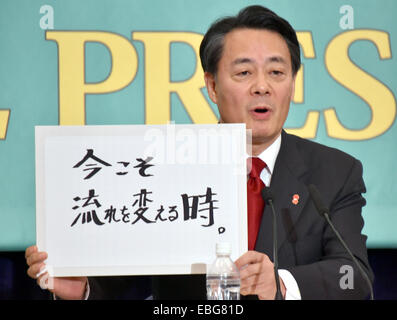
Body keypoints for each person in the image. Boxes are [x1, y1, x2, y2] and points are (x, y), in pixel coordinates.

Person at [26, 5, 374, 300]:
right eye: (243, 72)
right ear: (211, 85)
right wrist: (84, 289)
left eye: (277, 72)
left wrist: (280, 284)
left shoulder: (333, 171)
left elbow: (354, 276)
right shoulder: (167, 163)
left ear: (293, 83)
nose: (262, 86)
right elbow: (123, 271)